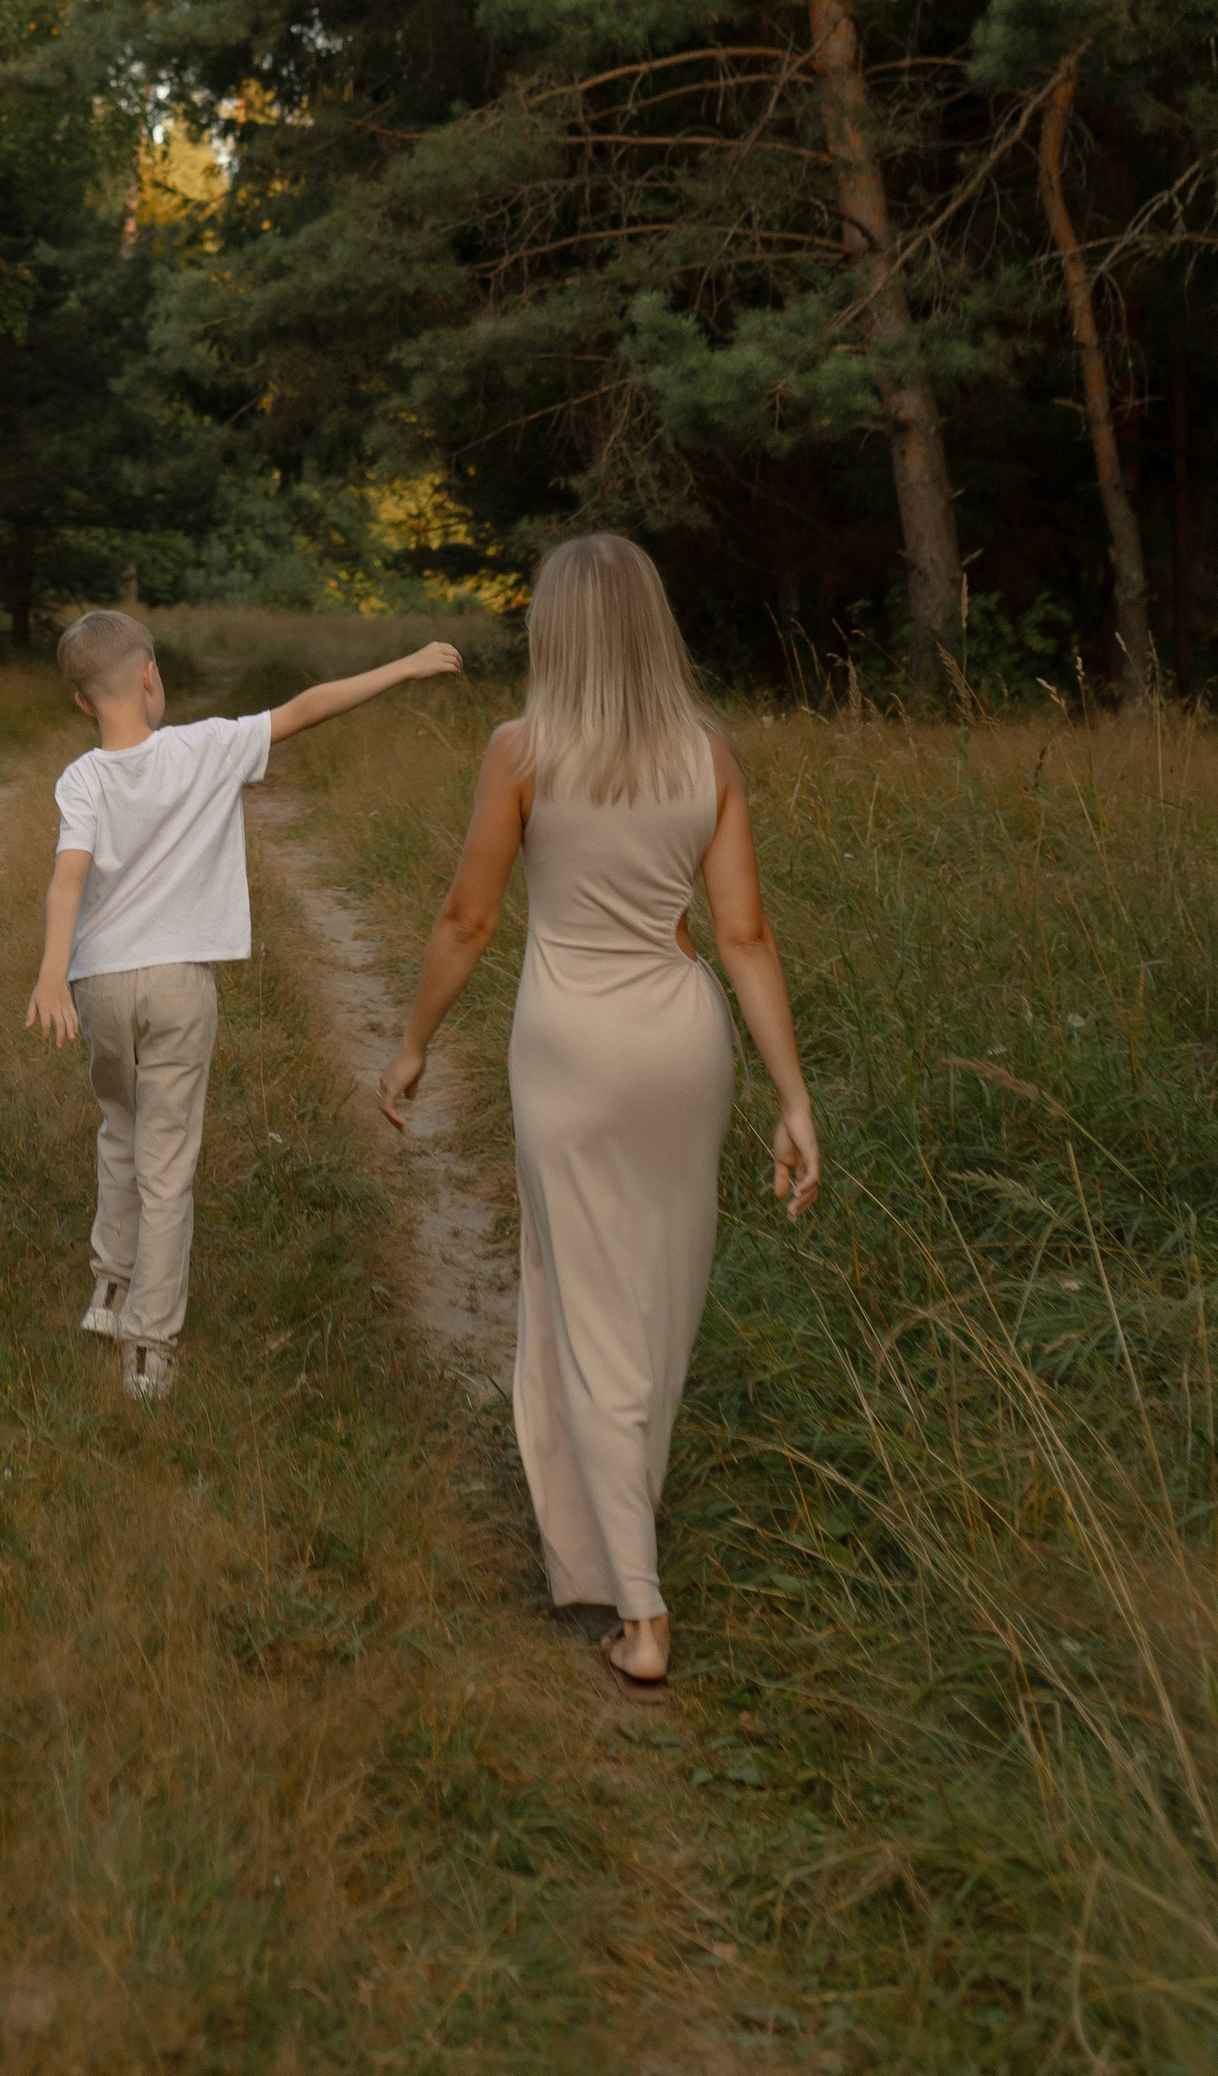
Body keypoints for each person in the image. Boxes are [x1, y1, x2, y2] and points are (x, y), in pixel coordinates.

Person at [378, 534, 819, 1697]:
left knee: (585, 1308)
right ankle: (615, 1546)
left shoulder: (521, 751)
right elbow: (741, 938)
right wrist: (792, 1095)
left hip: (569, 1052)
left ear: (557, 631)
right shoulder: (707, 754)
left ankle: (638, 1606)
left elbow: (468, 920)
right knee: (658, 1308)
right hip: (684, 1047)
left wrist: (415, 1043)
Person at [27, 610, 465, 1403]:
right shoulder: (207, 746)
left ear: (83, 704)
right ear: (151, 676)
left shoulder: (81, 777)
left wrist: (51, 974)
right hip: (178, 986)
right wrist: (403, 665)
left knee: (120, 1129)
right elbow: (307, 707)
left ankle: (109, 1291)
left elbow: (67, 877)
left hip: (97, 987)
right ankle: (151, 1345)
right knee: (168, 1162)